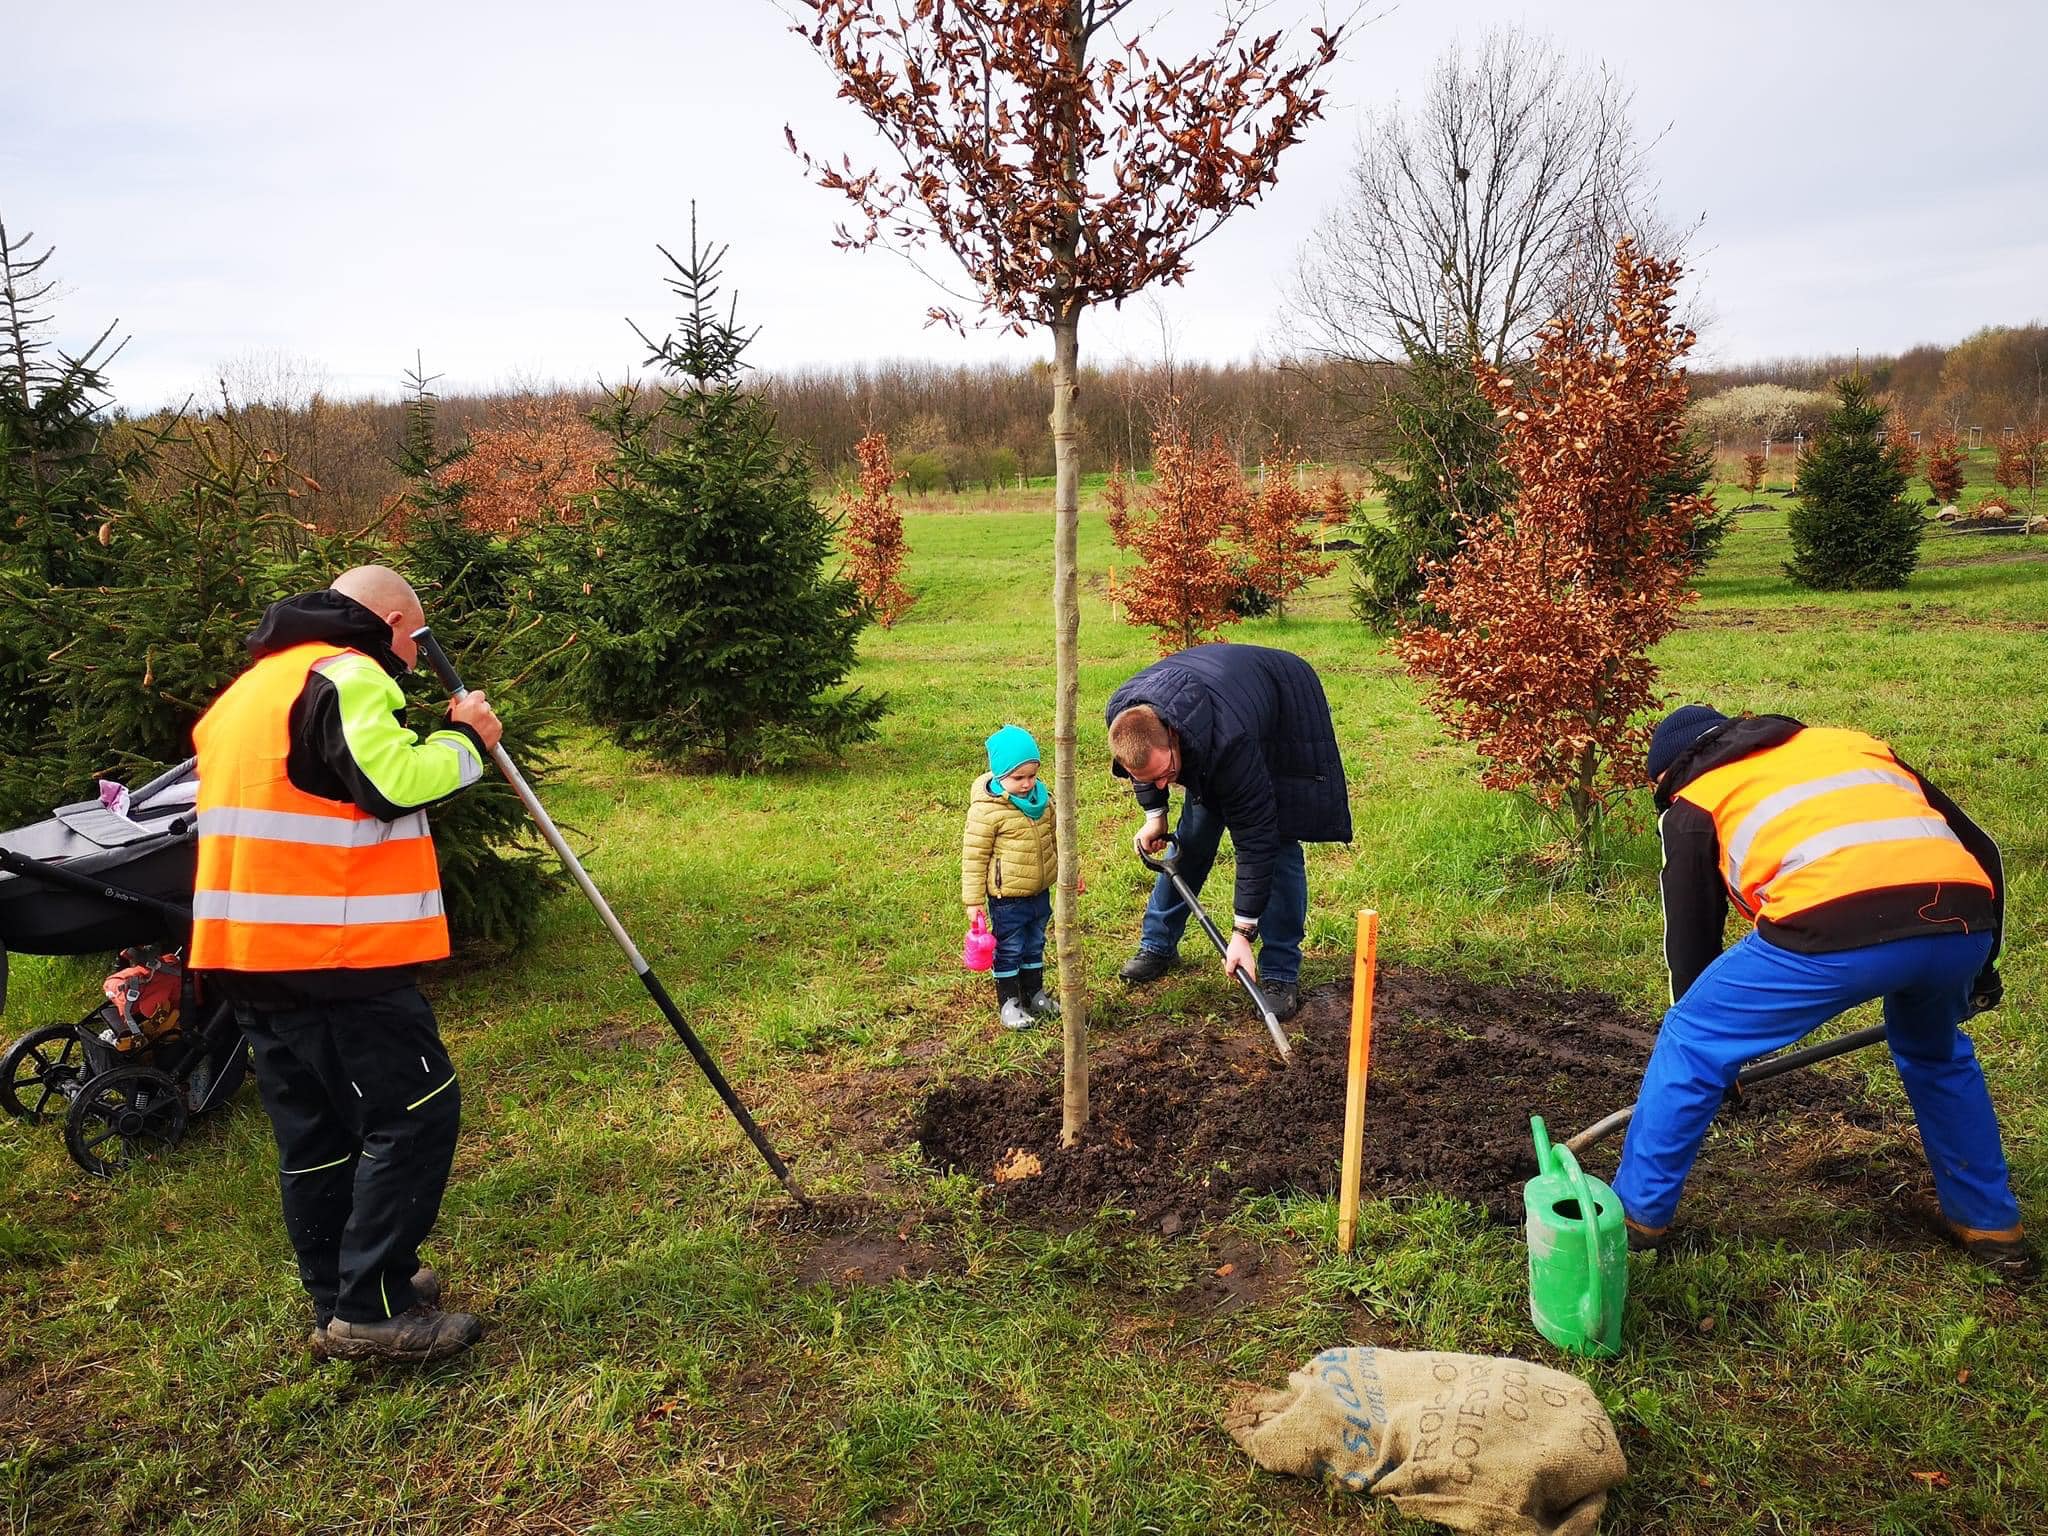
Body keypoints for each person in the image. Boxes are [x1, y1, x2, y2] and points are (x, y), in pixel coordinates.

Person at [190, 565, 504, 1360]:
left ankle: (338, 1287)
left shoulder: (253, 689)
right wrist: (469, 739)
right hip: (333, 951)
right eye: (412, 644)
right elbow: (391, 781)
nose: (408, 665)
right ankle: (373, 1305)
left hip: (246, 952)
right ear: (395, 624)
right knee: (414, 1113)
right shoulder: (349, 671)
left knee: (318, 1133)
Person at [1616, 704, 2030, 1275]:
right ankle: (1990, 1224)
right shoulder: (1855, 746)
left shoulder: (1695, 799)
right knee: (1936, 1054)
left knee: (1692, 1036)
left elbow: (1692, 934)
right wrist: (1981, 968)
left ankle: (1635, 1219)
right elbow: (1982, 850)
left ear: (1668, 775)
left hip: (1833, 926)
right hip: (1959, 921)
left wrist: (1719, 1051)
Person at [1104, 644, 1351, 1022]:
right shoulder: (1128, 714)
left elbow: (1256, 840)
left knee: (1279, 844)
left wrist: (1241, 933)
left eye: (1166, 774)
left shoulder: (1231, 743)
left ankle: (1279, 973)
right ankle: (1158, 944)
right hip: (1215, 708)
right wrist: (1155, 814)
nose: (1164, 783)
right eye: (1152, 779)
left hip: (1281, 712)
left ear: (1172, 736)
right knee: (1192, 840)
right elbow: (1147, 767)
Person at [961, 724, 1060, 1030]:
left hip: (1039, 892)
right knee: (1011, 947)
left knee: (1035, 943)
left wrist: (1073, 873)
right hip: (1008, 899)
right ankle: (1009, 1002)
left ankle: (1034, 993)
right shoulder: (987, 811)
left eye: (1032, 775)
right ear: (1000, 774)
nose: (1027, 783)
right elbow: (974, 857)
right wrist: (973, 900)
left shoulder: (1043, 802)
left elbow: (1058, 839)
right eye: (1018, 778)